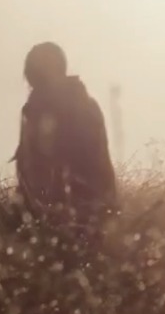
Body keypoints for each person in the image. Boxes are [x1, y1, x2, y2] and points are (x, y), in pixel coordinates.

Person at [12, 42, 118, 241]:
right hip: (61, 218)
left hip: (75, 217)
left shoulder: (75, 107)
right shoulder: (39, 109)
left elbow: (85, 164)